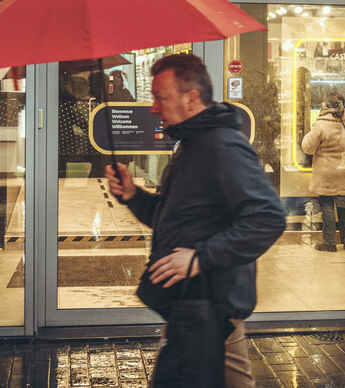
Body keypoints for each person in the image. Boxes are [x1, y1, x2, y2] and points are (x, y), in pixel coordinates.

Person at [104, 53, 285, 387]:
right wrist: (132, 195)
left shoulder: (222, 146)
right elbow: (172, 218)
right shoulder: (191, 145)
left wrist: (201, 258)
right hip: (191, 303)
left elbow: (268, 217)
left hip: (212, 305)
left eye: (160, 97)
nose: (154, 107)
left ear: (191, 99)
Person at [301, 91, 345, 252]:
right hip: (344, 171)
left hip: (326, 173)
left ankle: (330, 243)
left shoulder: (320, 124)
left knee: (327, 206)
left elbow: (308, 147)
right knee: (343, 206)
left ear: (324, 105)